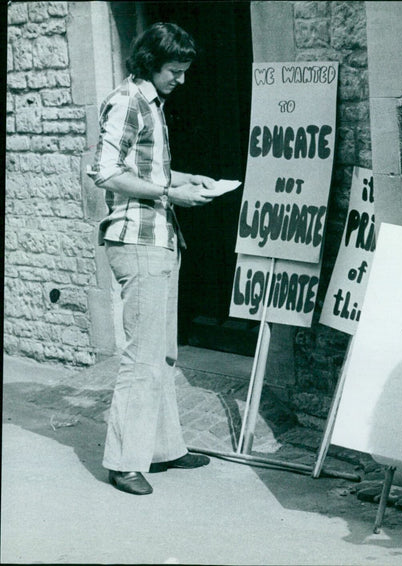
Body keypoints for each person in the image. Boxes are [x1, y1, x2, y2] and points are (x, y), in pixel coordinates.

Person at [91, 22, 215, 495]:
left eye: (184, 72)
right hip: (138, 242)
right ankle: (123, 461)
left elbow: (147, 168)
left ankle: (164, 448)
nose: (180, 80)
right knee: (141, 357)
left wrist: (190, 178)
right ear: (149, 63)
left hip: (162, 238)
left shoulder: (152, 104)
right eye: (174, 71)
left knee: (162, 353)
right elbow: (105, 172)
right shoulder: (127, 102)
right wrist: (169, 192)